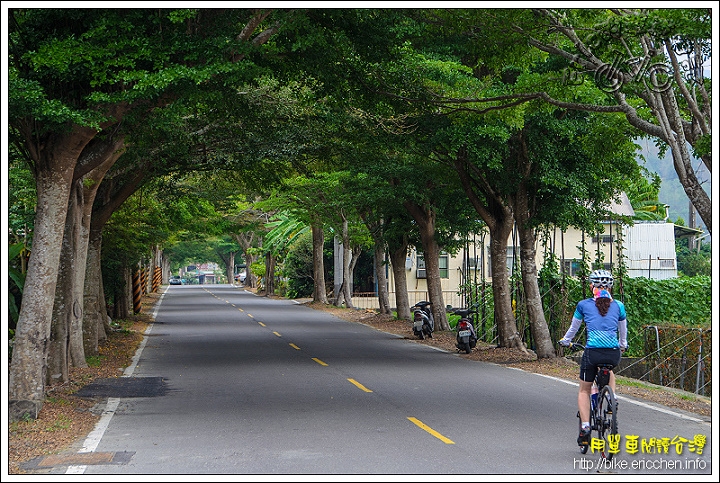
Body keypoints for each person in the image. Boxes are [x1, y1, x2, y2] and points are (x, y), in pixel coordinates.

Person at [559, 269, 628, 448]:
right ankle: (613, 399)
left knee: (584, 390)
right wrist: (622, 345)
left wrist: (566, 341)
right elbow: (623, 332)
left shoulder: (583, 305)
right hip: (613, 352)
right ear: (610, 287)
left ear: (592, 286)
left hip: (592, 353)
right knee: (609, 370)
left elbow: (573, 329)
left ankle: (585, 427)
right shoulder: (619, 306)